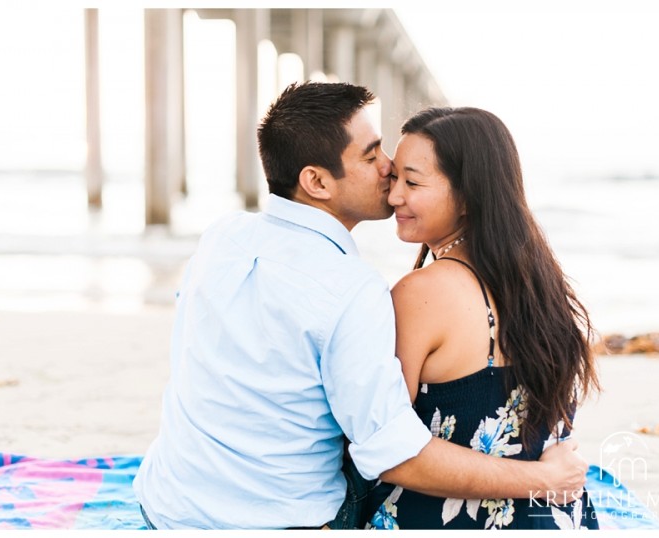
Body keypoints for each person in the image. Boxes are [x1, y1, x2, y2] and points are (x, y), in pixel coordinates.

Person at [132, 82, 588, 530]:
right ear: (316, 181)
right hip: (278, 522)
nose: (389, 172)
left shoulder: (221, 236)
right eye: (372, 156)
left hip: (166, 503)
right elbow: (391, 453)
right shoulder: (354, 289)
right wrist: (543, 479)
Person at [365, 106, 602, 530]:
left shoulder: (420, 293)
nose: (394, 195)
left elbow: (392, 453)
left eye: (412, 182)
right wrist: (545, 479)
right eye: (394, 177)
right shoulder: (540, 283)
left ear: (468, 194)